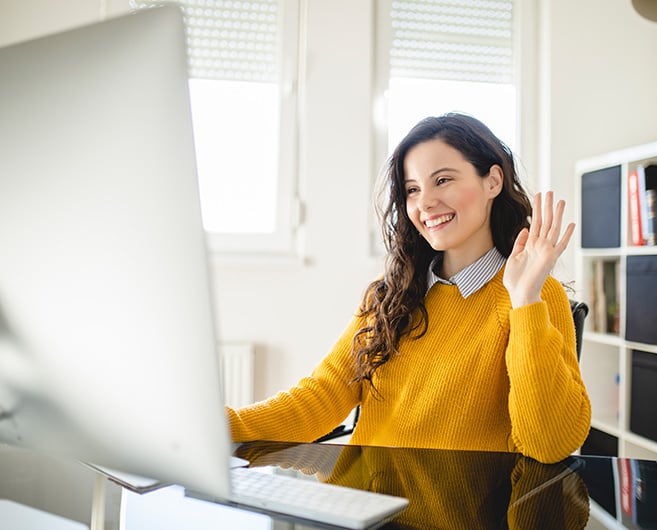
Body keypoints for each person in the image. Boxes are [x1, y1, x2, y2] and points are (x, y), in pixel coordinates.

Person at [227, 112, 591, 463]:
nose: (425, 203)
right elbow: (324, 394)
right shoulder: (389, 295)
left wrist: (525, 299)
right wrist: (223, 426)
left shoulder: (535, 298)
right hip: (360, 509)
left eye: (443, 180)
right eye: (412, 189)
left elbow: (549, 445)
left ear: (492, 181)